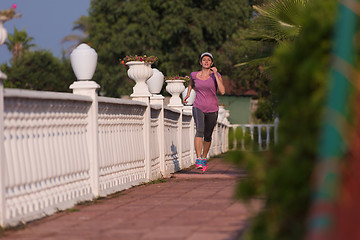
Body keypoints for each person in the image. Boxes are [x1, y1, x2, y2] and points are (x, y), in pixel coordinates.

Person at [183, 52, 225, 172]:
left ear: (212, 63)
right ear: (201, 62)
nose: (206, 62)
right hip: (198, 106)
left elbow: (222, 91)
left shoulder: (216, 75)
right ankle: (198, 159)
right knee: (199, 130)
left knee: (208, 135)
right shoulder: (194, 75)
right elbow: (191, 82)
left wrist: (216, 74)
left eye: (209, 60)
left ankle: (204, 157)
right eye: (204, 60)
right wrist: (188, 94)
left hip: (212, 109)